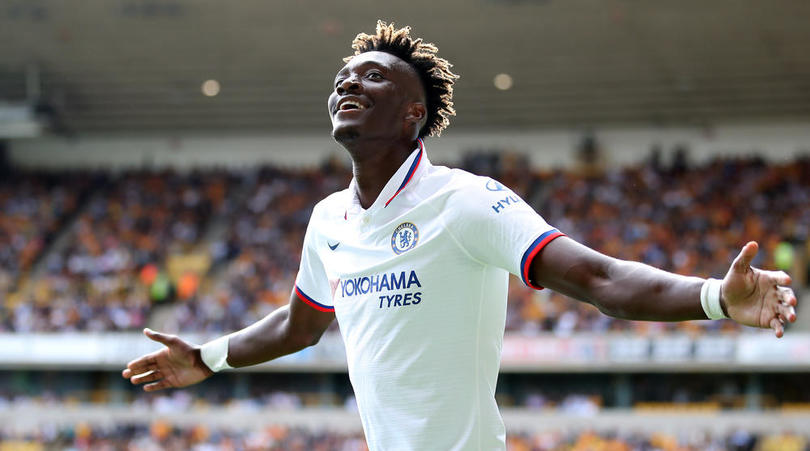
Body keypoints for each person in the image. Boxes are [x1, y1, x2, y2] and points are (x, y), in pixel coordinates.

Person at [122, 21, 799, 450]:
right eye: (342, 79)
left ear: (414, 112)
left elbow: (599, 279)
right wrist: (207, 357)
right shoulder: (328, 219)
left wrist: (714, 296)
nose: (349, 83)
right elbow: (300, 327)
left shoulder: (465, 200)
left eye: (373, 76)